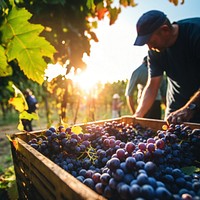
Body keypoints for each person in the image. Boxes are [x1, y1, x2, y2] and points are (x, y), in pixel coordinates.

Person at [133, 10, 200, 124]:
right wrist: (137, 116)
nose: (149, 47)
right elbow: (152, 86)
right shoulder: (155, 51)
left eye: (151, 41)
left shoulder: (196, 33)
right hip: (176, 111)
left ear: (165, 30)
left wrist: (190, 108)